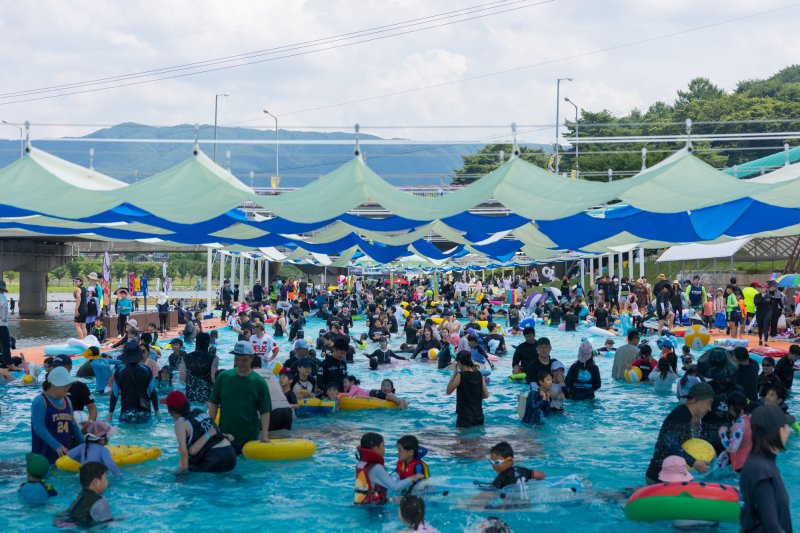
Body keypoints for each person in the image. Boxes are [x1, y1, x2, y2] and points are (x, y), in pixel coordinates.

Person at [207, 341, 271, 455]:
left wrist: (265, 434)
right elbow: (213, 404)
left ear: (252, 358)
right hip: (225, 435)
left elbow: (264, 411)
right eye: (237, 359)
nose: (239, 363)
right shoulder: (223, 377)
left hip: (249, 438)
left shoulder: (259, 382)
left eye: (244, 360)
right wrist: (210, 427)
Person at [739, 403, 794, 532]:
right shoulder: (761, 471)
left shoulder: (759, 463)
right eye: (786, 427)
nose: (789, 431)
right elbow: (771, 526)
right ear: (779, 431)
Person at [645, 382, 714, 484]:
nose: (709, 408)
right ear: (696, 400)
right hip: (660, 477)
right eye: (709, 403)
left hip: (666, 476)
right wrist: (694, 462)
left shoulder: (685, 415)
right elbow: (669, 443)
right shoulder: (681, 414)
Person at [163, 390, 237, 473]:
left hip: (214, 457)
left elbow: (183, 452)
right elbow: (216, 431)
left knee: (172, 473)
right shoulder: (199, 411)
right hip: (230, 454)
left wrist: (183, 474)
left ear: (171, 411)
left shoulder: (180, 423)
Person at [31, 366, 83, 464]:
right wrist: (56, 445)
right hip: (44, 456)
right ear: (53, 385)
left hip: (65, 454)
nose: (68, 388)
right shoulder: (40, 401)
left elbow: (73, 426)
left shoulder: (67, 400)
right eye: (65, 385)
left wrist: (84, 445)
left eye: (69, 385)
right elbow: (38, 427)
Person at [354, 432, 424, 505]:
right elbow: (395, 487)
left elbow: (373, 486)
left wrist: (392, 500)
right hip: (373, 509)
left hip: (363, 504)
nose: (384, 450)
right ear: (376, 449)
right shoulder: (376, 468)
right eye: (383, 446)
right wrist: (413, 478)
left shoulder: (361, 464)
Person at [108, 341, 159, 424]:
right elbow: (152, 392)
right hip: (144, 410)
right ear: (138, 354)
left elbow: (114, 394)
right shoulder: (146, 370)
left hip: (127, 410)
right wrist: (157, 411)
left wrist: (111, 413)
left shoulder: (120, 371)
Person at [56, 462, 119, 527]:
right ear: (96, 482)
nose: (107, 481)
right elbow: (108, 525)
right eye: (105, 478)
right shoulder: (100, 502)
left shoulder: (82, 495)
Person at [446, 350, 489, 428]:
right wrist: (473, 398)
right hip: (478, 416)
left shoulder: (460, 376)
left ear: (458, 362)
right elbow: (486, 395)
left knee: (462, 439)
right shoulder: (479, 375)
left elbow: (448, 391)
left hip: (465, 418)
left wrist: (454, 374)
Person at [51, 354, 98, 421]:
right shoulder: (50, 386)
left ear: (70, 367)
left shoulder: (79, 386)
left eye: (60, 367)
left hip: (76, 424)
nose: (58, 369)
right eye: (55, 367)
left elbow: (92, 407)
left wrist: (90, 423)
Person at [180, 332, 218, 403]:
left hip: (190, 393)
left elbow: (182, 378)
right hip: (206, 394)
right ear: (208, 343)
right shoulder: (214, 358)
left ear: (196, 342)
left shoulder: (186, 357)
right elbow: (213, 379)